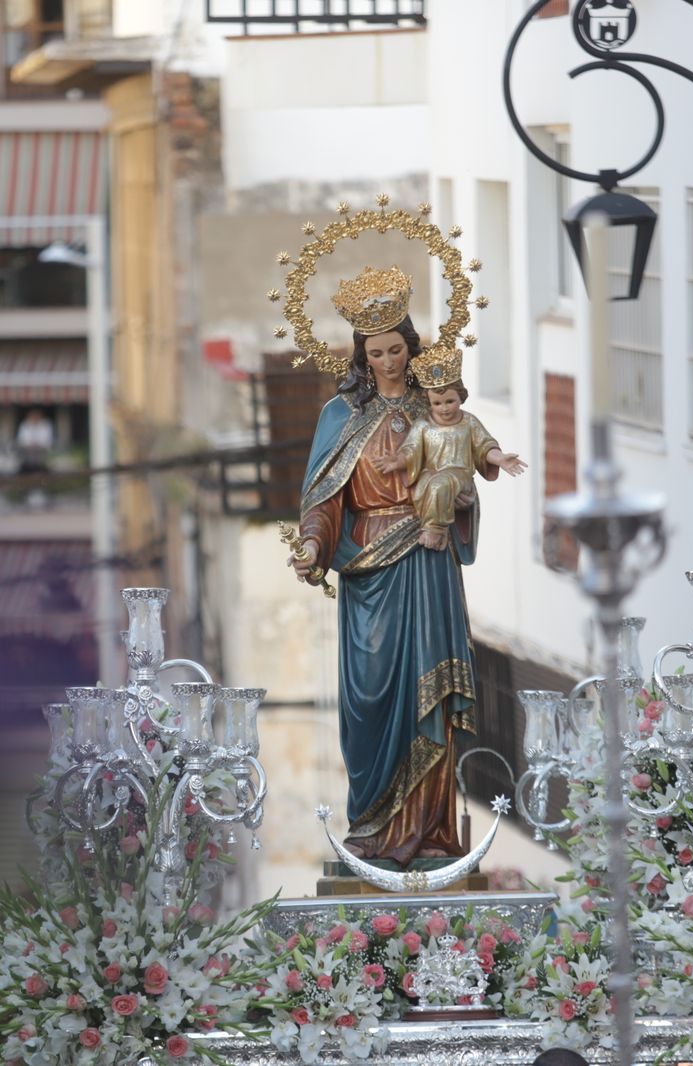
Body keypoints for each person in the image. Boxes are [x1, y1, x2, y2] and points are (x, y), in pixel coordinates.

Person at [287, 265, 501, 865]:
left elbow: (462, 469)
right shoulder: (340, 415)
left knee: (423, 697)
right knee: (372, 697)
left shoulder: (436, 408)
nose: (387, 362)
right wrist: (311, 545)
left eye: (397, 349)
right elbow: (323, 500)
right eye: (375, 352)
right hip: (368, 569)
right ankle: (373, 826)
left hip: (428, 563)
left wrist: (458, 496)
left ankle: (431, 834)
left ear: (413, 345)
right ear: (361, 353)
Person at [396, 380, 526, 552]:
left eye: (450, 401)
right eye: (437, 403)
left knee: (439, 485)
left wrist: (500, 459)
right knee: (423, 490)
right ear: (429, 403)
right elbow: (411, 449)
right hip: (430, 474)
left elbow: (484, 446)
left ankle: (435, 530)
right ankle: (432, 525)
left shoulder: (469, 422)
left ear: (461, 397)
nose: (444, 408)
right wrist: (397, 461)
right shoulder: (423, 424)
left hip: (459, 474)